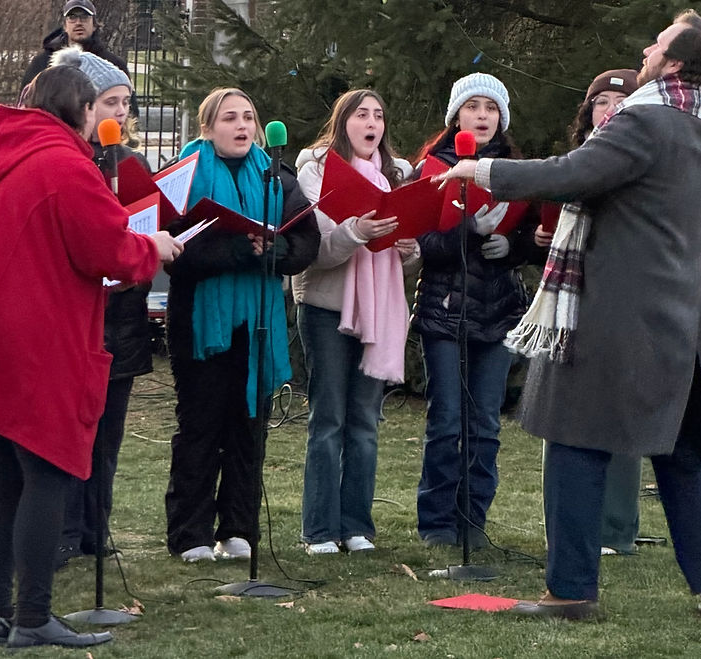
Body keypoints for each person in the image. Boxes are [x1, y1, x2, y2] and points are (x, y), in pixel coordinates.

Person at [442, 12, 701, 621]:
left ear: (675, 63)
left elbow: (571, 173)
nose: (646, 49)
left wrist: (485, 170)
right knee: (681, 453)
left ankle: (571, 591)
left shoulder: (647, 120)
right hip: (684, 313)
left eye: (658, 44)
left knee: (575, 439)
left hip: (619, 310)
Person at [0, 64, 182, 650]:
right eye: (99, 108)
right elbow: (107, 249)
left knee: (3, 475)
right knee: (47, 473)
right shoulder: (65, 164)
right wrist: (152, 246)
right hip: (41, 340)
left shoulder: (2, 161)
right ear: (82, 109)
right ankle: (33, 615)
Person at [164, 88, 319, 564]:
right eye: (229, 118)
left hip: (257, 323)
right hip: (200, 324)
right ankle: (190, 533)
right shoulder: (182, 175)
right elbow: (170, 247)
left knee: (248, 428)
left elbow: (306, 239)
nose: (242, 126)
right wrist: (234, 250)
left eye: (248, 117)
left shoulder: (277, 176)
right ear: (208, 127)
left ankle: (238, 528)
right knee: (200, 428)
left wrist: (278, 251)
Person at [411, 73, 540, 548]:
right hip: (444, 309)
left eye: (491, 108)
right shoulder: (431, 168)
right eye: (472, 107)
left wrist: (514, 246)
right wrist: (467, 232)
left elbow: (538, 236)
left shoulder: (518, 172)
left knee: (485, 423)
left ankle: (473, 520)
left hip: (499, 311)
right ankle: (437, 523)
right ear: (456, 117)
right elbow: (422, 243)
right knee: (446, 421)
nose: (482, 116)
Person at [293, 89, 417, 555]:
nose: (372, 123)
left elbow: (408, 258)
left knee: (365, 421)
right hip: (327, 307)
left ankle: (356, 526)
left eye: (379, 116)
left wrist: (410, 250)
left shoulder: (398, 175)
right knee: (328, 419)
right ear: (342, 121)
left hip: (380, 313)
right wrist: (356, 231)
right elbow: (316, 251)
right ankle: (320, 530)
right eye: (361, 114)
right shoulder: (316, 169)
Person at [529, 68, 645, 558]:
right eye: (601, 103)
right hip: (567, 304)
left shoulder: (639, 160)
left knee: (618, 415)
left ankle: (616, 529)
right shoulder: (572, 164)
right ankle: (566, 528)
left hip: (620, 301)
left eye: (621, 103)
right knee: (562, 416)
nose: (610, 110)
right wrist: (539, 240)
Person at [47, 47, 155, 568]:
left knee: (109, 436)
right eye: (110, 102)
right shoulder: (69, 163)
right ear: (83, 104)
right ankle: (63, 530)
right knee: (71, 432)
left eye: (125, 103)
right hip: (79, 319)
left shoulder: (131, 162)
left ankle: (96, 526)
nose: (119, 112)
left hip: (124, 318)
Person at [20, 0, 128, 94]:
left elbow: (128, 105)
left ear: (94, 25)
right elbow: (26, 102)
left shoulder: (112, 65)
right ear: (65, 26)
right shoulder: (42, 63)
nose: (78, 23)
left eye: (84, 17)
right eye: (72, 17)